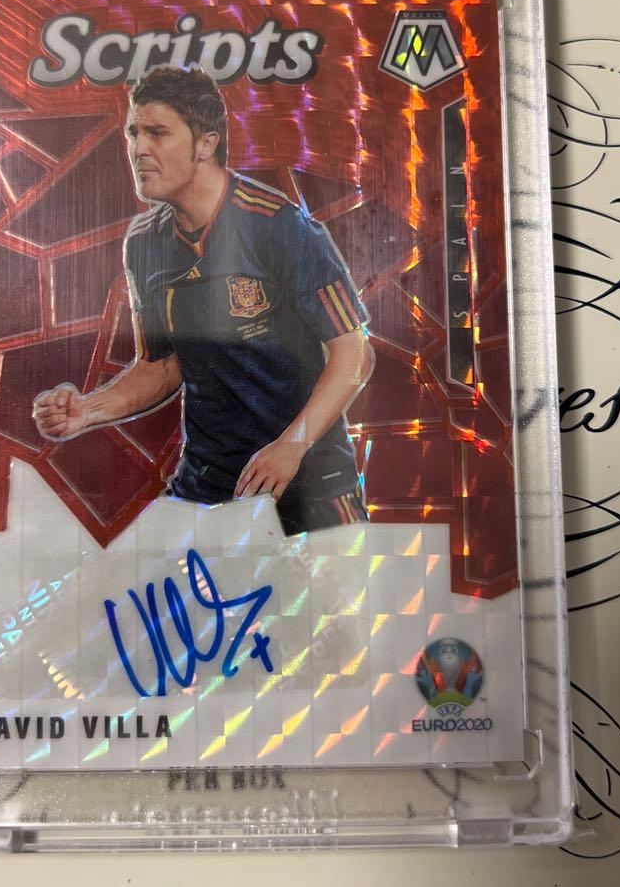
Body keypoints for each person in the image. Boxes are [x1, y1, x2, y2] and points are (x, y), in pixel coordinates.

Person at [32, 65, 373, 535]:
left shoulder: (278, 225)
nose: (138, 149)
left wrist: (291, 446)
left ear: (206, 143)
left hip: (310, 490)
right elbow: (161, 367)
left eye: (157, 133)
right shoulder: (145, 243)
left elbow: (355, 353)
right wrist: (86, 411)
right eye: (133, 133)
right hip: (207, 488)